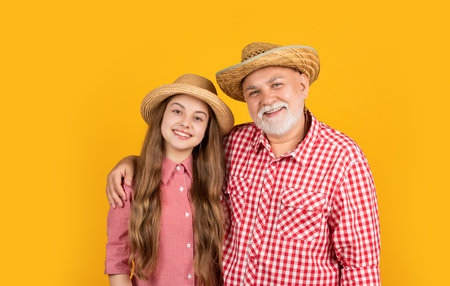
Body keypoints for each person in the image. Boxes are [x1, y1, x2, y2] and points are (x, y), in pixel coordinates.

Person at [106, 43, 381, 285]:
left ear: (303, 85)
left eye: (277, 84)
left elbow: (362, 266)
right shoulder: (232, 145)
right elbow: (180, 158)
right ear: (246, 101)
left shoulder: (343, 158)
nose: (267, 99)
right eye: (254, 91)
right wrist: (133, 163)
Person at [104, 74, 234, 286]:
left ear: (206, 130)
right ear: (162, 116)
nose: (185, 123)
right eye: (177, 111)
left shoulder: (221, 181)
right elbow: (117, 258)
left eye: (198, 118)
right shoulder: (129, 182)